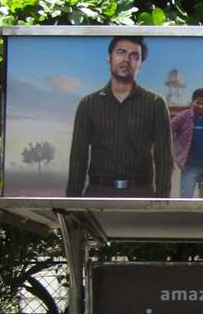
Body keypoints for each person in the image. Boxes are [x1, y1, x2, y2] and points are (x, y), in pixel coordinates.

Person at [65, 36, 173, 197]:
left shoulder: (155, 103)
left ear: (140, 65)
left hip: (141, 192)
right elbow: (78, 157)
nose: (127, 60)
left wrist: (163, 201)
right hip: (98, 192)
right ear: (109, 58)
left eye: (134, 56)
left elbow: (164, 158)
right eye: (121, 53)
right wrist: (72, 203)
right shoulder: (88, 104)